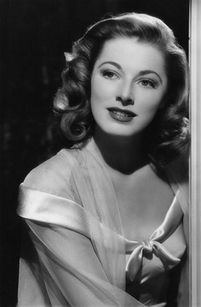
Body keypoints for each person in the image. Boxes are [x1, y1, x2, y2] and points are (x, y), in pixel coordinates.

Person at [17, 12, 190, 307]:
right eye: (110, 73)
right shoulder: (49, 188)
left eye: (147, 82)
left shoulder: (181, 172)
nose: (125, 94)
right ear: (88, 79)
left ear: (166, 96)